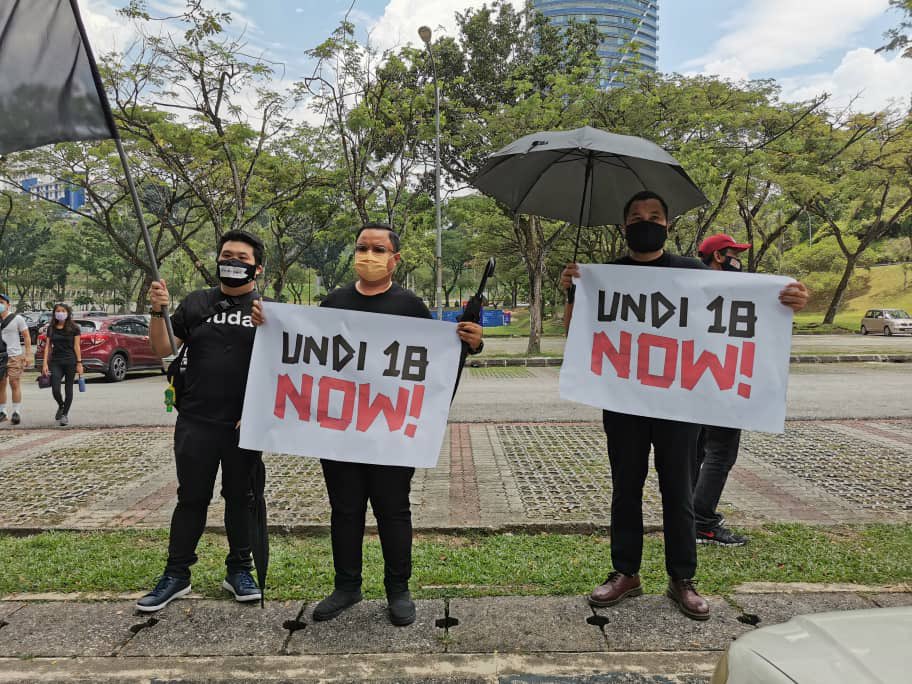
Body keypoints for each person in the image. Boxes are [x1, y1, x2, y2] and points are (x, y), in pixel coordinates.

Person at [560, 192, 808, 621]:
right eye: (636, 216)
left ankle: (682, 579)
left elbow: (739, 308)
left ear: (668, 226)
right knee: (626, 488)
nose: (645, 221)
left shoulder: (692, 272)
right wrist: (571, 292)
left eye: (654, 216)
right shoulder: (608, 274)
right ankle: (625, 572)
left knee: (678, 491)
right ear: (624, 228)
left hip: (680, 405)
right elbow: (574, 333)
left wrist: (786, 299)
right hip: (624, 403)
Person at [252, 222, 483, 626]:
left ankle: (398, 590)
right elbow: (306, 350)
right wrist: (269, 322)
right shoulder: (334, 301)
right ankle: (347, 586)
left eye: (378, 250)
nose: (369, 256)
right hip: (339, 432)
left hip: (390, 434)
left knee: (393, 511)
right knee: (344, 511)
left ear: (395, 259)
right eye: (362, 247)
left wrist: (473, 342)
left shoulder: (410, 306)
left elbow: (438, 360)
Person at [136, 230, 267, 612]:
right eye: (227, 255)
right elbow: (162, 348)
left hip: (245, 424)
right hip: (196, 420)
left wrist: (259, 413)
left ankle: (239, 569)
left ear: (257, 268)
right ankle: (177, 574)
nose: (233, 262)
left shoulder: (268, 310)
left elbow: (283, 370)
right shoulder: (196, 303)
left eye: (242, 257)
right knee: (191, 497)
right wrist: (157, 309)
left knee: (241, 499)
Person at [692, 233, 808, 546]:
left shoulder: (692, 288)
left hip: (695, 384)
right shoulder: (729, 289)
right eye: (734, 254)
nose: (738, 260)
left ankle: (689, 517)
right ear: (718, 256)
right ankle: (701, 522)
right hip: (721, 383)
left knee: (700, 450)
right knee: (721, 452)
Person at [41, 304, 82, 427]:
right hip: (56, 362)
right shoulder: (51, 328)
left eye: (63, 311)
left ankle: (65, 415)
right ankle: (61, 404)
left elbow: (77, 346)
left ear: (68, 313)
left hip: (70, 361)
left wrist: (79, 363)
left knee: (68, 389)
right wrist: (44, 364)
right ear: (54, 313)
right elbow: (47, 346)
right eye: (58, 311)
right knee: (55, 389)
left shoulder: (75, 328)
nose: (60, 313)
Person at [0, 294, 33, 425]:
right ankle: (2, 412)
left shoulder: (17, 318)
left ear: (8, 304)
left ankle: (16, 412)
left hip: (15, 356)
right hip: (1, 357)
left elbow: (26, 336)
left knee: (14, 383)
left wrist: (28, 354)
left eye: (1, 302)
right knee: (1, 385)